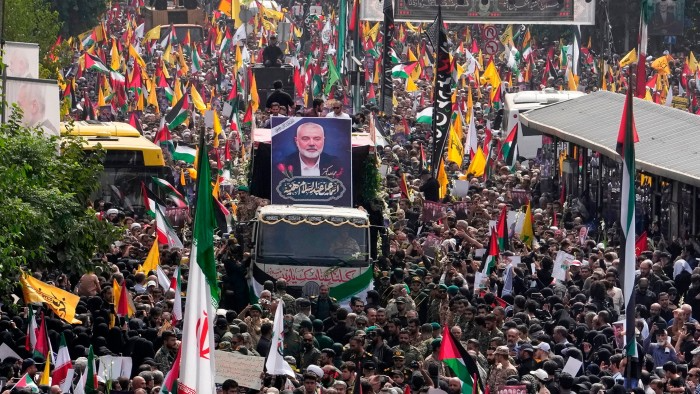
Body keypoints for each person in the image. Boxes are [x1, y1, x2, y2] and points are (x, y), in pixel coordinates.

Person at [277, 122, 343, 177]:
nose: (311, 143)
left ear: (323, 141)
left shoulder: (336, 164)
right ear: (296, 141)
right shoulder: (283, 165)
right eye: (305, 139)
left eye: (317, 139)